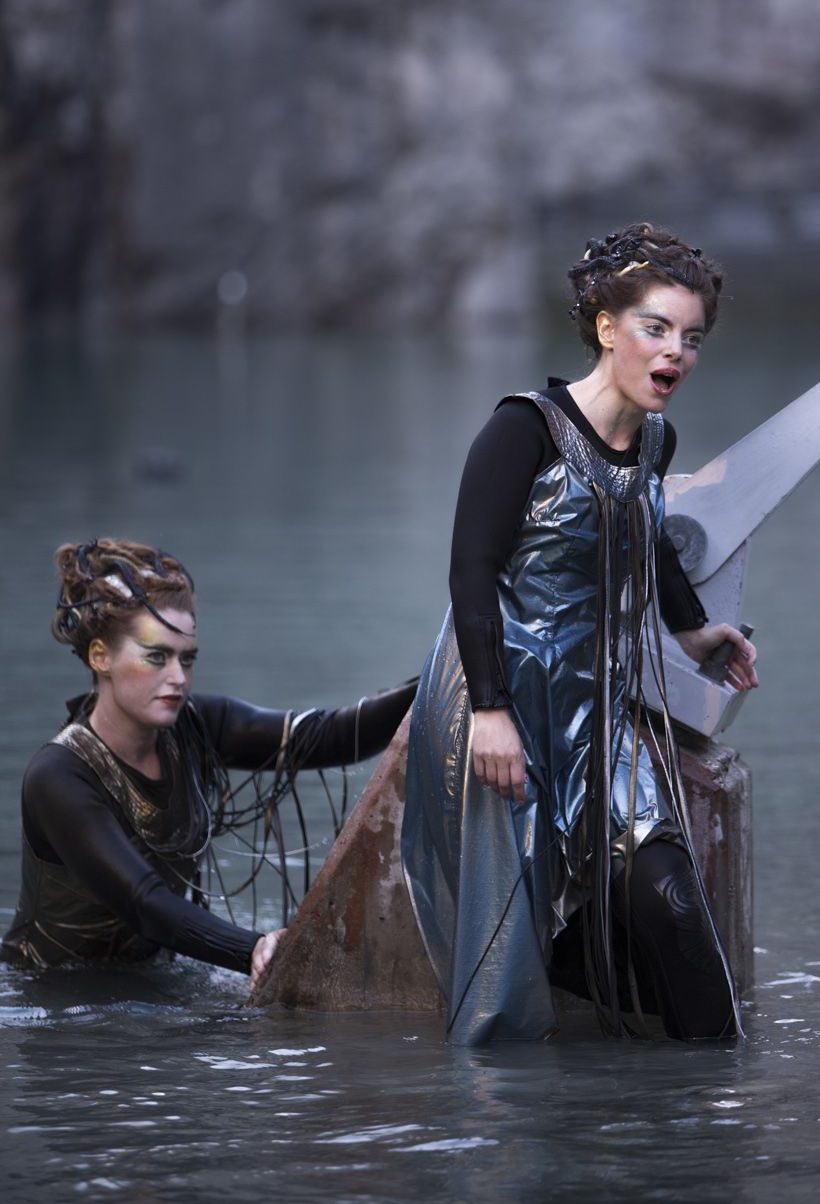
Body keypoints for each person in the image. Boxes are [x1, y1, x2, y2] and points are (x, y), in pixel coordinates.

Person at [401, 223, 758, 1044]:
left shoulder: (656, 441)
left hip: (594, 708)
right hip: (499, 696)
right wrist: (490, 710)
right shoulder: (524, 427)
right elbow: (470, 571)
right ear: (606, 327)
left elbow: (646, 534)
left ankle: (711, 1105)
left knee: (671, 903)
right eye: (655, 328)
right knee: (504, 964)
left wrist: (695, 633)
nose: (675, 353)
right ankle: (510, 1108)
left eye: (692, 338)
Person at [2, 538, 415, 989]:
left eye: (187, 659)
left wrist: (443, 674)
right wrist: (253, 949)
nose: (178, 677)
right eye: (157, 657)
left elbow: (332, 736)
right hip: (49, 994)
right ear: (100, 657)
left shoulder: (197, 725)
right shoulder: (60, 775)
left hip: (152, 980)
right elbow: (143, 901)